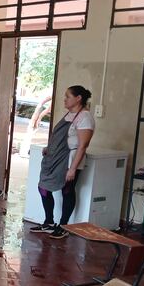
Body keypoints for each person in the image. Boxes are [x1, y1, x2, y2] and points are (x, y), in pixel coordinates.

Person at [30, 85, 95, 239]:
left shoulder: (85, 117)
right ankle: (49, 222)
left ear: (78, 98)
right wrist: (50, 147)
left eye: (68, 96)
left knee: (67, 190)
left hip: (69, 160)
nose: (64, 99)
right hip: (55, 158)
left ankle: (64, 225)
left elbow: (82, 145)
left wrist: (72, 169)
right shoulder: (69, 114)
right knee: (43, 188)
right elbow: (61, 137)